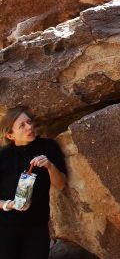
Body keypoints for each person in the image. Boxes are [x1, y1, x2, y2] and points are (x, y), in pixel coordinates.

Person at [0, 107, 67, 259]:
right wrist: (9, 204)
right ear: (10, 135)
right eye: (22, 126)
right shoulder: (3, 156)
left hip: (37, 227)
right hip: (5, 229)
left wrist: (50, 166)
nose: (29, 127)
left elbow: (61, 185)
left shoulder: (49, 147)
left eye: (29, 122)